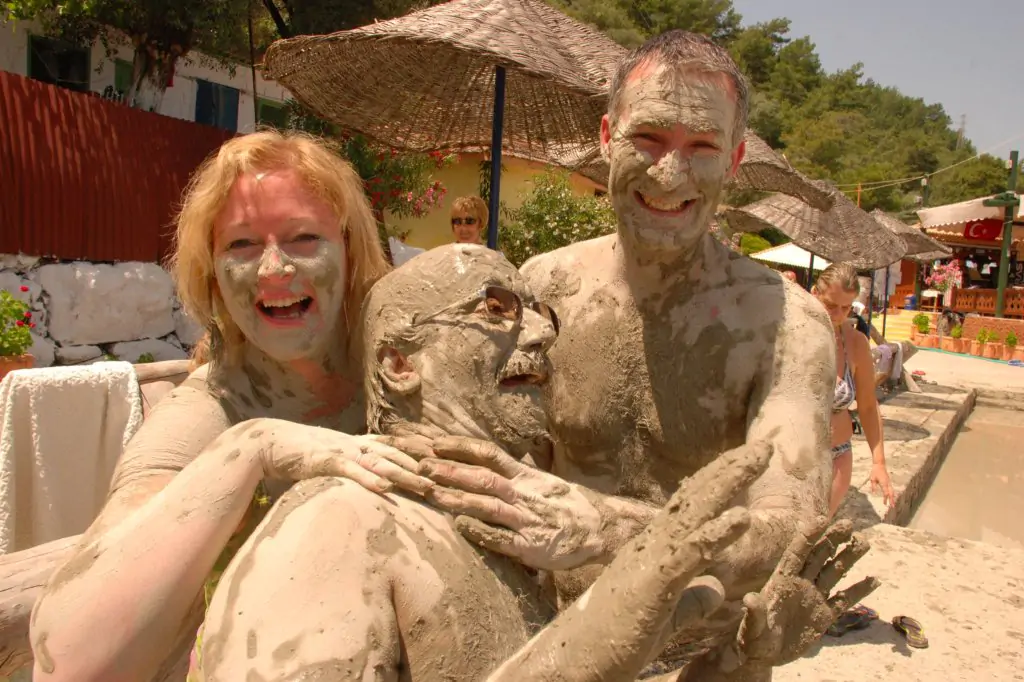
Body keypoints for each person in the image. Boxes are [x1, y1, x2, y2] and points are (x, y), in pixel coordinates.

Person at [190, 244, 876, 682]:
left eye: (542, 313)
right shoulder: (335, 525)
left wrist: (738, 663)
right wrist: (592, 642)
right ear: (399, 364)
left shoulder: (511, 533)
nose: (545, 333)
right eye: (498, 309)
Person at [413, 29, 837, 675]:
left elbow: (788, 526)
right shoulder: (545, 287)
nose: (670, 171)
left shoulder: (782, 323)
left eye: (701, 146)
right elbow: (474, 445)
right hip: (553, 641)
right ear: (607, 137)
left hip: (701, 653)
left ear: (734, 159)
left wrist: (609, 530)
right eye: (649, 138)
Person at [28, 130, 434, 682]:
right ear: (213, 275)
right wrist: (252, 448)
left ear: (350, 249)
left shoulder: (417, 367)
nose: (273, 268)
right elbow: (70, 661)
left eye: (303, 237)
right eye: (241, 245)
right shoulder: (212, 412)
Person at [811, 263, 896, 517]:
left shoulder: (856, 343)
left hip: (837, 455)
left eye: (846, 308)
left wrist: (879, 462)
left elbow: (868, 406)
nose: (838, 315)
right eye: (830, 305)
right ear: (814, 293)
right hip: (788, 457)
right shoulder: (789, 335)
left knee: (812, 531)